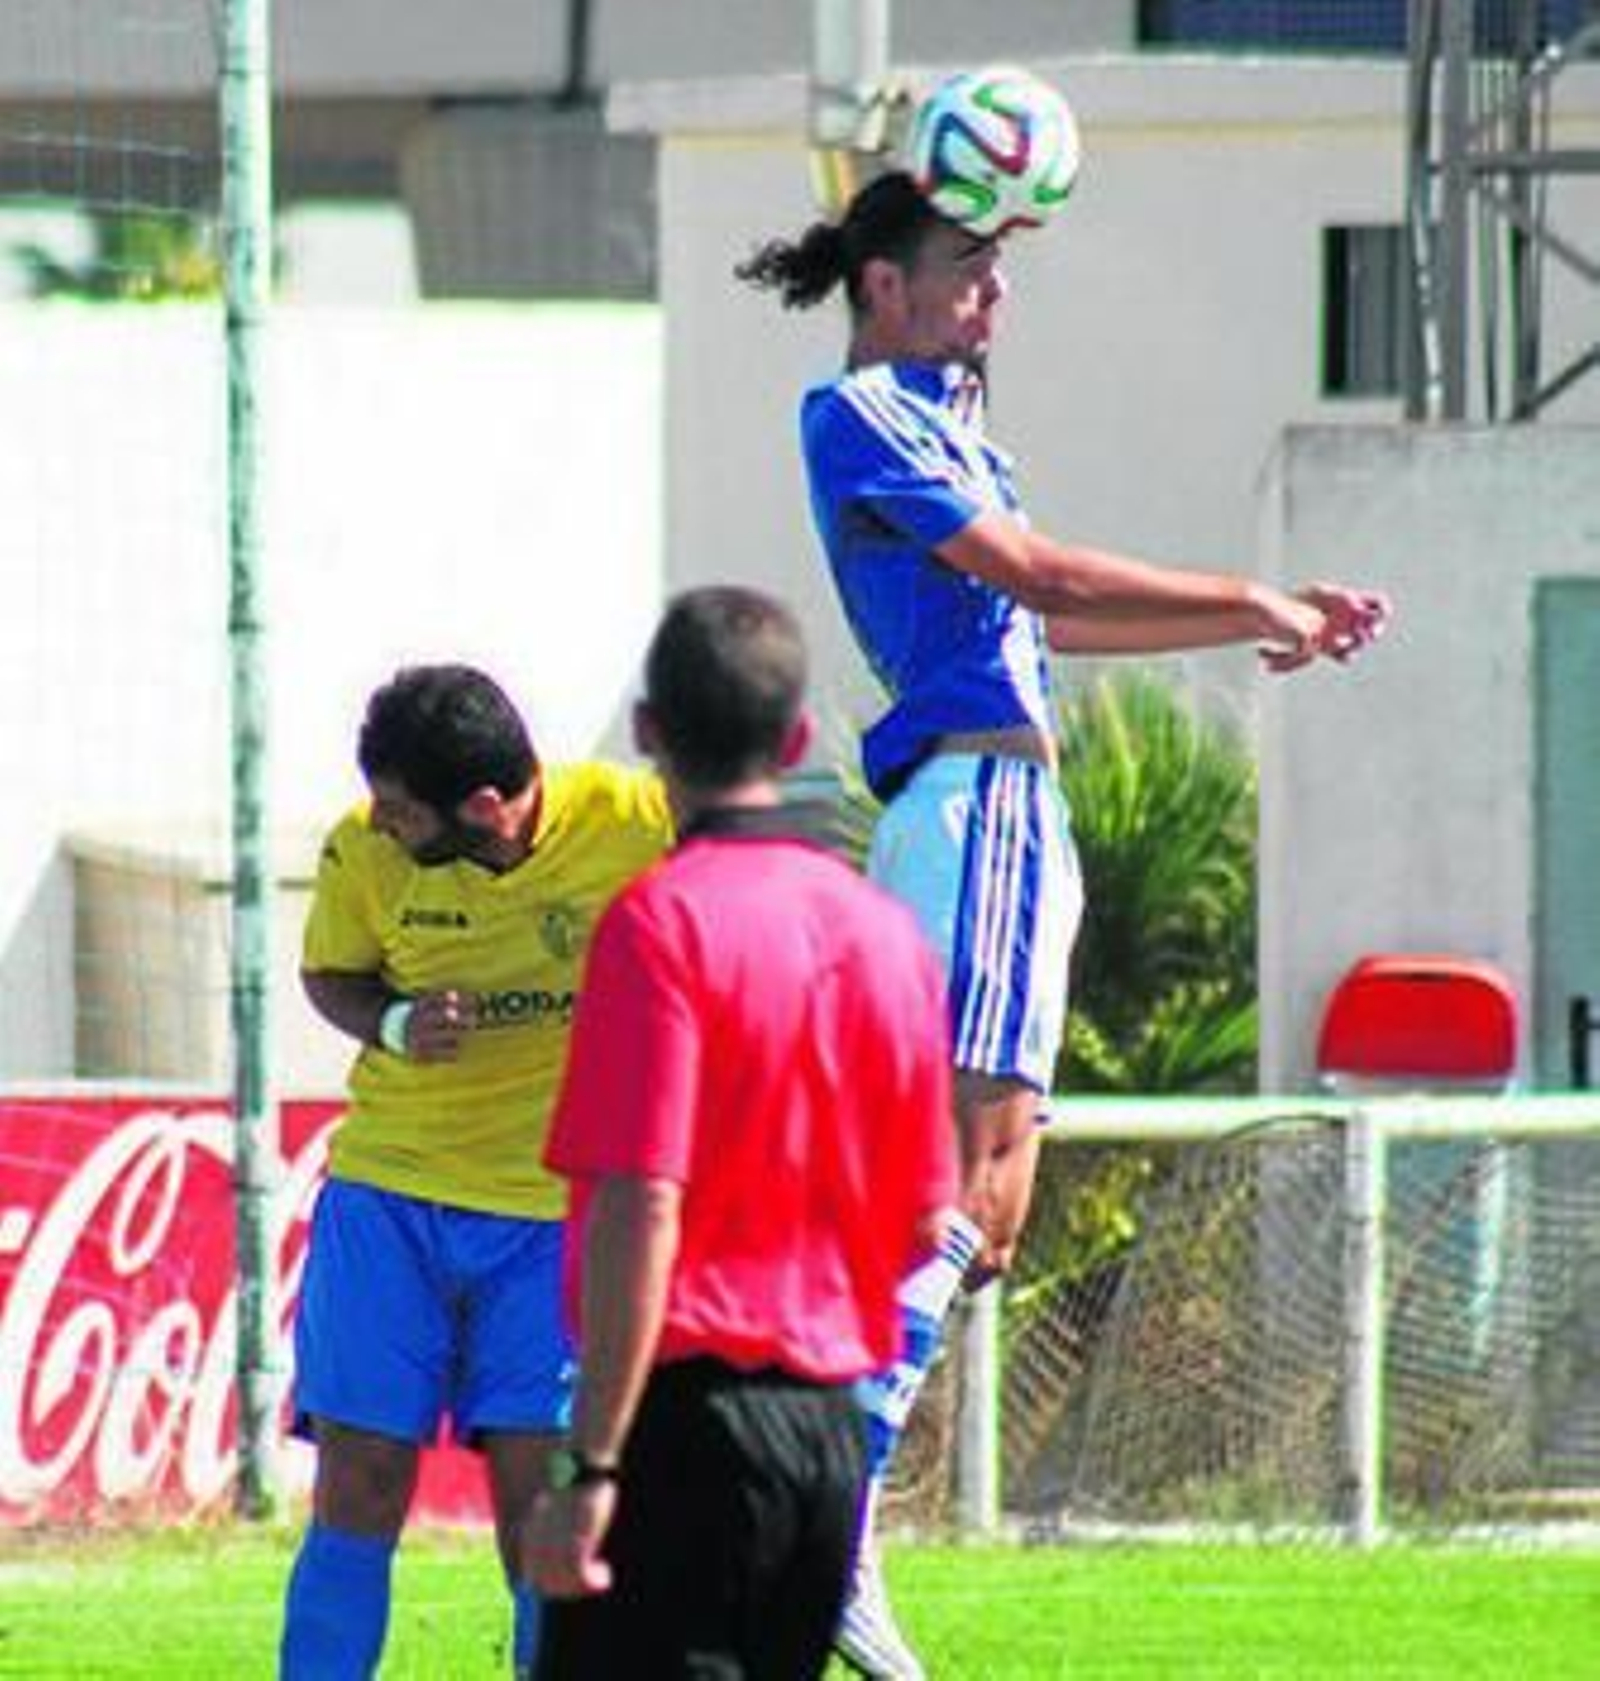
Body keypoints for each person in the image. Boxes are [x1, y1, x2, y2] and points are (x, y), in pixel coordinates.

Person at [737, 168, 1391, 1678]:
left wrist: (1259, 612)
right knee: (964, 1180)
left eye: (1001, 265)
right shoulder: (866, 415)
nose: (994, 290)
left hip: (989, 818)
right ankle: (814, 1518)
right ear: (883, 287)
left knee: (983, 1216)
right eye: (967, 261)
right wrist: (1242, 588)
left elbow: (1047, 614)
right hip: (982, 813)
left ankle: (817, 1500)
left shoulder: (952, 432)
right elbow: (1028, 574)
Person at [522, 585, 959, 1680]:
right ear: (801, 737)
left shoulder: (659, 922)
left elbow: (640, 1202)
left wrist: (589, 1469)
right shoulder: (884, 934)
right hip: (824, 1440)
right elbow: (922, 1220)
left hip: (683, 1431)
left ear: (649, 733)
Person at [281, 663, 672, 1681]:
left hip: (553, 1219)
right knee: (359, 1486)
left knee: (536, 1509)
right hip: (390, 1199)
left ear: (487, 807)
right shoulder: (362, 849)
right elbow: (330, 973)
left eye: (404, 810)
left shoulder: (637, 819)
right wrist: (396, 1022)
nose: (383, 822)